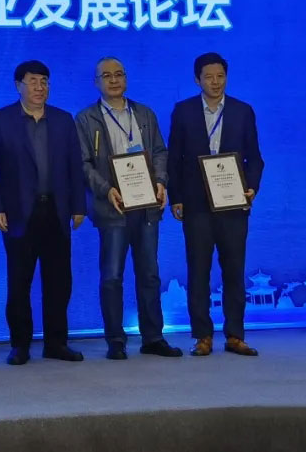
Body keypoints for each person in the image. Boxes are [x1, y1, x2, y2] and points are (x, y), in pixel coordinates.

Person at [75, 57, 182, 361]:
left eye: (119, 74)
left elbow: (159, 152)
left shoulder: (144, 113)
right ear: (96, 82)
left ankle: (153, 337)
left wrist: (160, 181)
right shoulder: (85, 119)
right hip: (113, 209)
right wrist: (106, 189)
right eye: (106, 76)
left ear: (126, 78)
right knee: (112, 277)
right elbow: (83, 163)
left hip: (147, 208)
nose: (114, 80)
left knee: (149, 274)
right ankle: (116, 340)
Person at [0, 60, 86, 365]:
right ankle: (20, 345)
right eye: (32, 81)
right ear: (18, 85)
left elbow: (75, 166)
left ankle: (56, 343)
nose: (39, 87)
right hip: (18, 213)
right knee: (19, 282)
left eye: (44, 81)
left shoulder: (63, 120)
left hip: (56, 210)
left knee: (59, 282)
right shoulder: (1, 120)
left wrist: (78, 206)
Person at [167, 52, 265, 357]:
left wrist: (251, 188)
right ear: (197, 79)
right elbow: (174, 158)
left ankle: (235, 335)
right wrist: (176, 197)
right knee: (198, 270)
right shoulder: (183, 111)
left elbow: (255, 159)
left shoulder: (242, 111)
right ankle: (202, 336)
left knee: (234, 270)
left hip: (233, 204)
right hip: (196, 205)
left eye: (220, 76)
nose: (215, 82)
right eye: (208, 77)